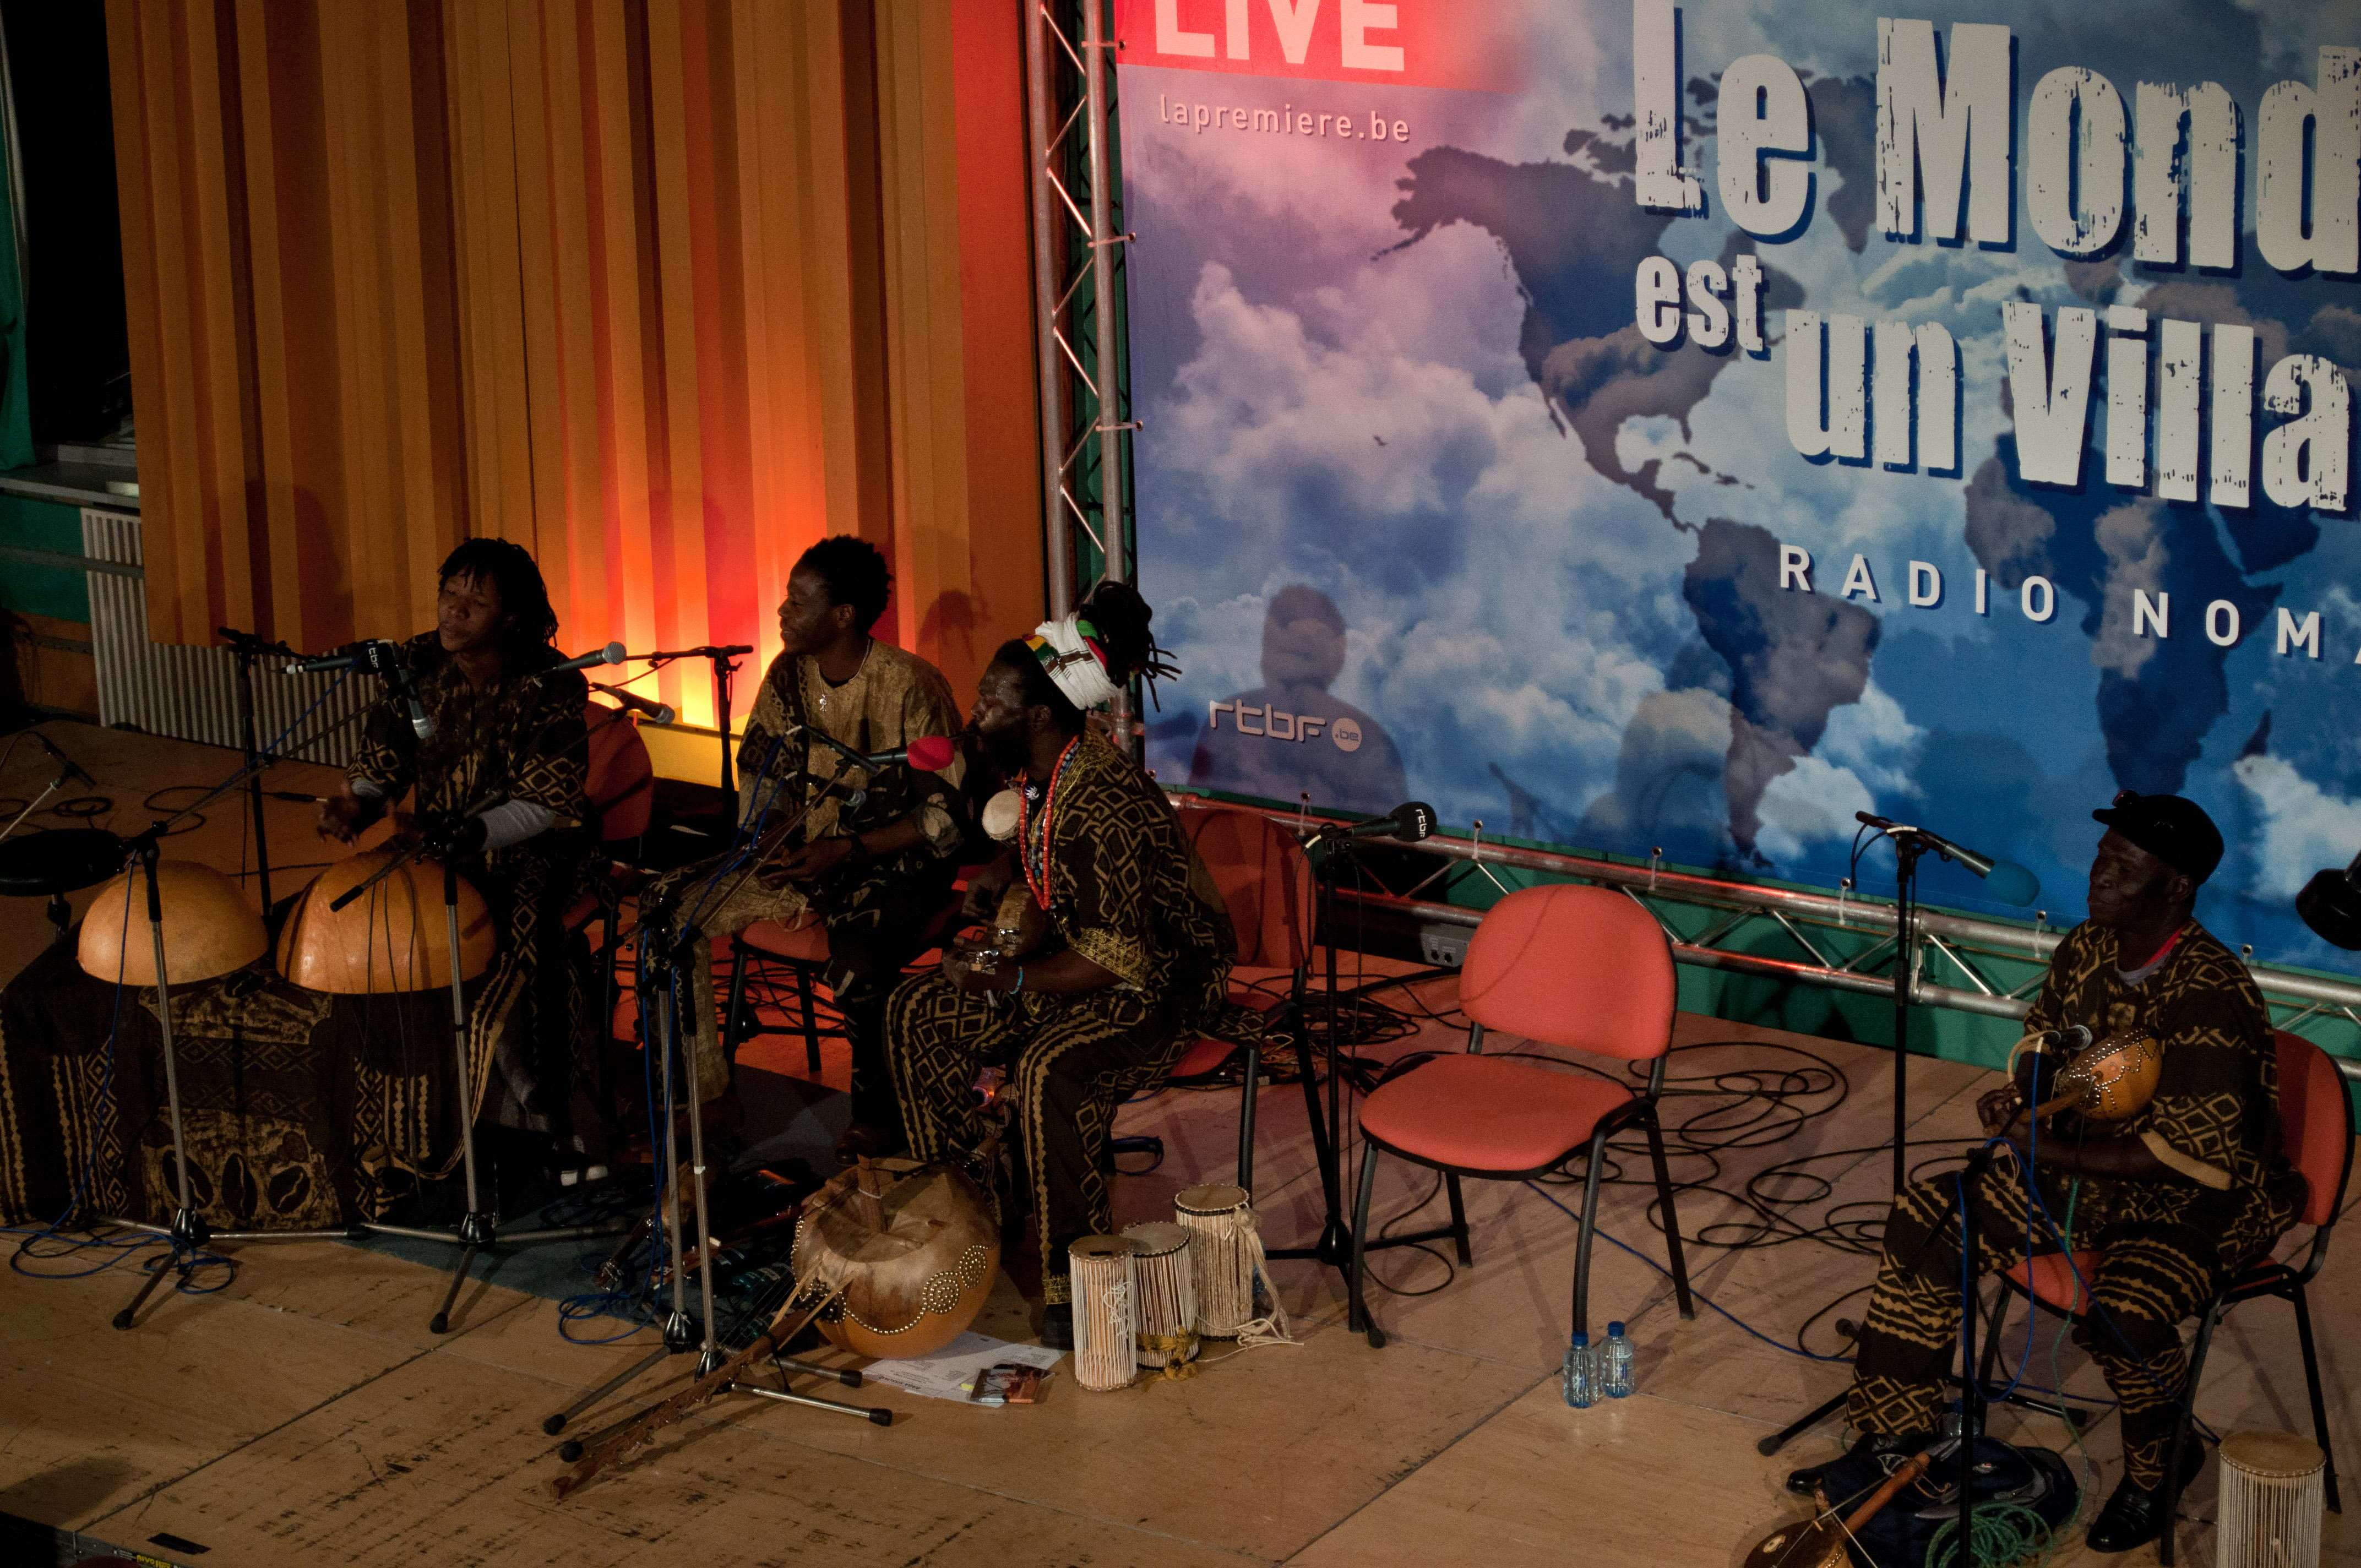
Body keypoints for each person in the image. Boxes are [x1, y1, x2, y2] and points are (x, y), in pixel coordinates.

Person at [1789, 792, 2302, 1554]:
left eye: (2123, 865)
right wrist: (2024, 1092)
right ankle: (1894, 1440)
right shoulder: (2089, 946)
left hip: (2197, 1200)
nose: (2100, 875)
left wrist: (2041, 1148)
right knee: (1926, 1219)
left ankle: (2161, 1466)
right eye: (2101, 857)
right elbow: (2043, 1039)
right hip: (2086, 1175)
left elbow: (2179, 1154)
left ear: (2177, 887)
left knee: (2126, 1310)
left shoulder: (2212, 992)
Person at [886, 582, 1243, 1348]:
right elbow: (1052, 865)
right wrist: (1006, 881)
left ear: (1040, 717)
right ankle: (968, 1226)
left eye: (992, 702)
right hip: (1083, 958)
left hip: (1163, 985)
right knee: (916, 1013)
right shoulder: (1042, 774)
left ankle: (1075, 1288)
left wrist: (1009, 977)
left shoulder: (1104, 802)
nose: (976, 714)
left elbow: (1117, 959)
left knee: (1053, 1068)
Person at [643, 536, 966, 1157]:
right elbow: (761, 767)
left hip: (892, 863)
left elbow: (945, 819)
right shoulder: (786, 675)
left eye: (798, 600)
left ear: (843, 614)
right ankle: (707, 1099)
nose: (781, 611)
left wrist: (847, 850)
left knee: (858, 962)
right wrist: (769, 830)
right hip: (804, 856)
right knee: (666, 908)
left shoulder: (911, 685)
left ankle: (877, 1117)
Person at [316, 538, 597, 1163]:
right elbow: (382, 766)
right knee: (358, 916)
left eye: (476, 600)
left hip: (539, 849)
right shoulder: (413, 664)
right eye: (450, 593)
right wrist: (356, 805)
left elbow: (544, 804)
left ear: (513, 617)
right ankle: (407, 1094)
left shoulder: (551, 683)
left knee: (518, 935)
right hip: (436, 844)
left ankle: (543, 1107)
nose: (455, 610)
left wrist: (461, 835)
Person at [1187, 585, 1406, 814]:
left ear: (1338, 655)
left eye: (1304, 650)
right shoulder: (1227, 719)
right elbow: (1194, 812)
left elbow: (1394, 828)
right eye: (1283, 626)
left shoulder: (1370, 740)